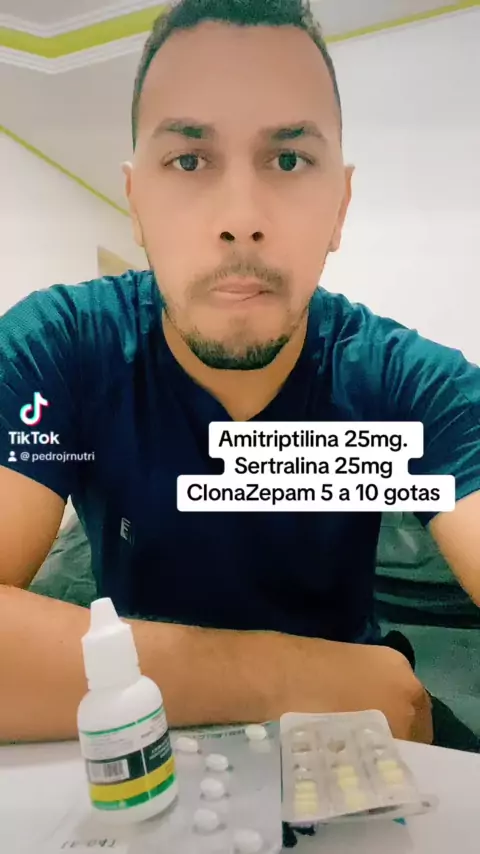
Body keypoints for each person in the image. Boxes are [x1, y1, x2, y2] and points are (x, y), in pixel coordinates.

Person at [0, 0, 479, 747]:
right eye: (189, 161)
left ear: (340, 206)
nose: (240, 218)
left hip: (352, 743)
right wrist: (294, 677)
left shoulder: (404, 384)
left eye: (288, 160)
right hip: (160, 733)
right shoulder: (61, 348)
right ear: (136, 202)